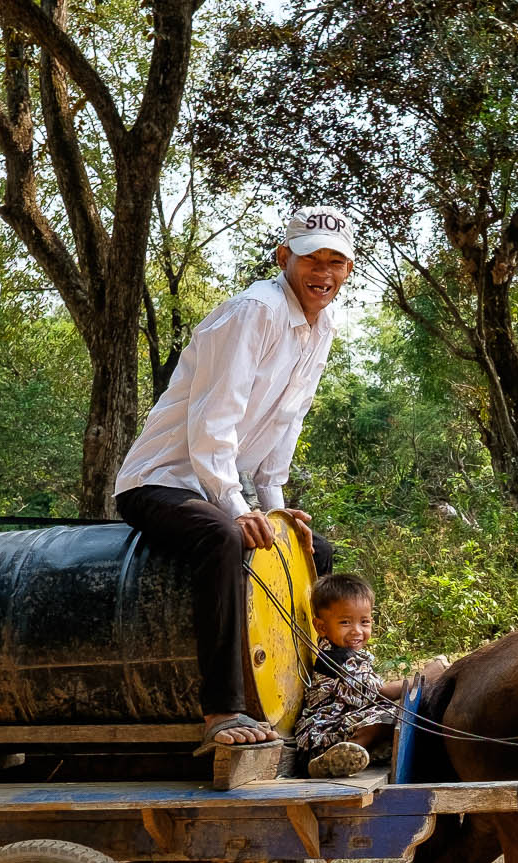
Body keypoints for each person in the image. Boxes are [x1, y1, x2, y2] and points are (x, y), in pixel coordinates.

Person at [114, 205, 356, 751]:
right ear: (284, 257)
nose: (323, 273)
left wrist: (276, 506)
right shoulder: (254, 312)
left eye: (336, 262)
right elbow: (213, 421)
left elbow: (287, 419)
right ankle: (222, 709)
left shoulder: (322, 327)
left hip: (220, 482)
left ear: (347, 270)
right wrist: (237, 505)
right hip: (161, 481)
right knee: (222, 535)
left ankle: (316, 693)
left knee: (313, 548)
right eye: (312, 259)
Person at [295, 572, 421, 779]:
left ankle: (363, 752)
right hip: (322, 736)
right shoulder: (337, 659)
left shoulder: (352, 656)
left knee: (394, 714)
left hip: (344, 726)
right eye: (345, 622)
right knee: (390, 713)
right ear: (321, 627)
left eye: (364, 622)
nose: (357, 631)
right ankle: (343, 755)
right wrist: (424, 676)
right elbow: (380, 693)